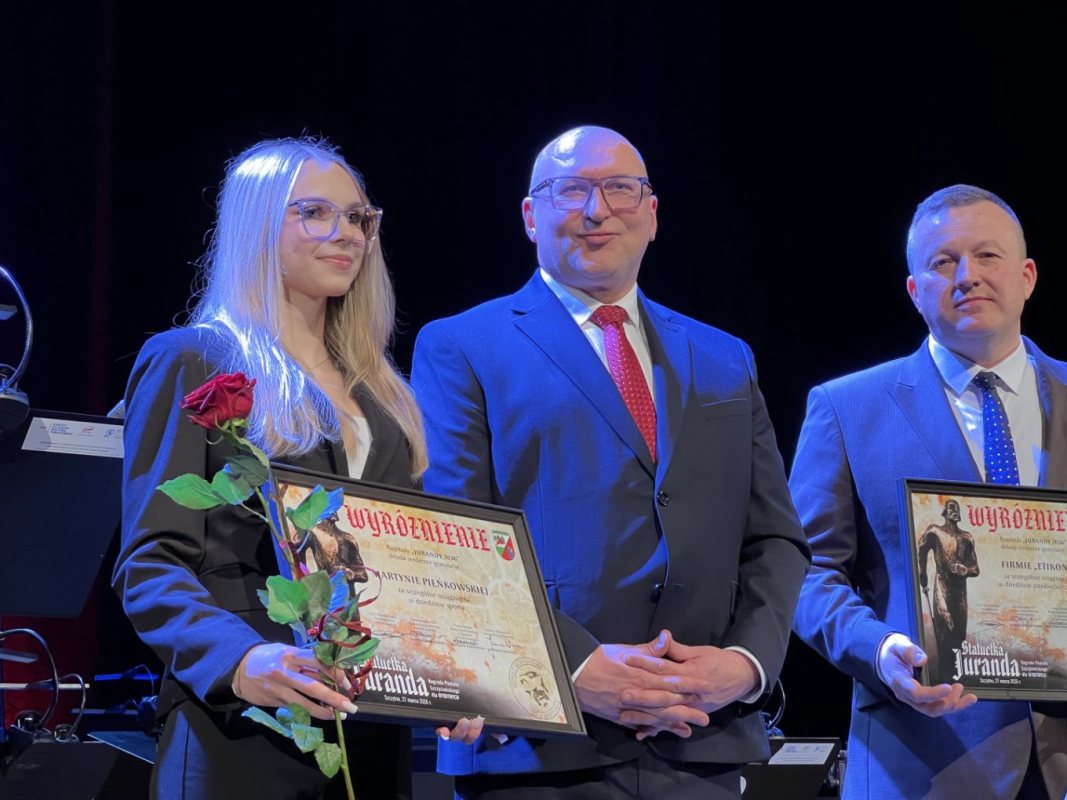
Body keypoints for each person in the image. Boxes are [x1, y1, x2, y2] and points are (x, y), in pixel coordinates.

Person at [410, 125, 810, 799]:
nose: (597, 210)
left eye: (620, 189)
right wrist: (575, 668)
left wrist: (743, 665)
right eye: (571, 190)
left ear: (651, 215)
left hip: (700, 741)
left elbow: (775, 538)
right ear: (530, 216)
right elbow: (454, 540)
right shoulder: (460, 345)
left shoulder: (724, 356)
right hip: (540, 745)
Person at [112, 136, 481, 799]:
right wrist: (239, 658)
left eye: (358, 217)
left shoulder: (384, 398)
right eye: (314, 213)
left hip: (369, 738)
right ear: (257, 225)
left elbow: (407, 571)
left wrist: (452, 678)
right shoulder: (192, 361)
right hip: (242, 732)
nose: (346, 234)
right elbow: (150, 561)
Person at [790, 183, 1067, 799]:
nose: (967, 276)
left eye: (987, 255)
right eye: (944, 262)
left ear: (1027, 276)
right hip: (923, 763)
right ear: (915, 291)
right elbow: (803, 571)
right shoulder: (846, 408)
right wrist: (880, 649)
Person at [916, 499, 980, 683]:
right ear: (944, 512)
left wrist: (965, 570)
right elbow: (921, 549)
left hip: (960, 594)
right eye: (951, 508)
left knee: (958, 638)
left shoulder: (967, 537)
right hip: (942, 586)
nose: (954, 511)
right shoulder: (935, 531)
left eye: (956, 508)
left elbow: (975, 568)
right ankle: (943, 681)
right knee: (945, 631)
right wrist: (922, 575)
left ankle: (956, 681)